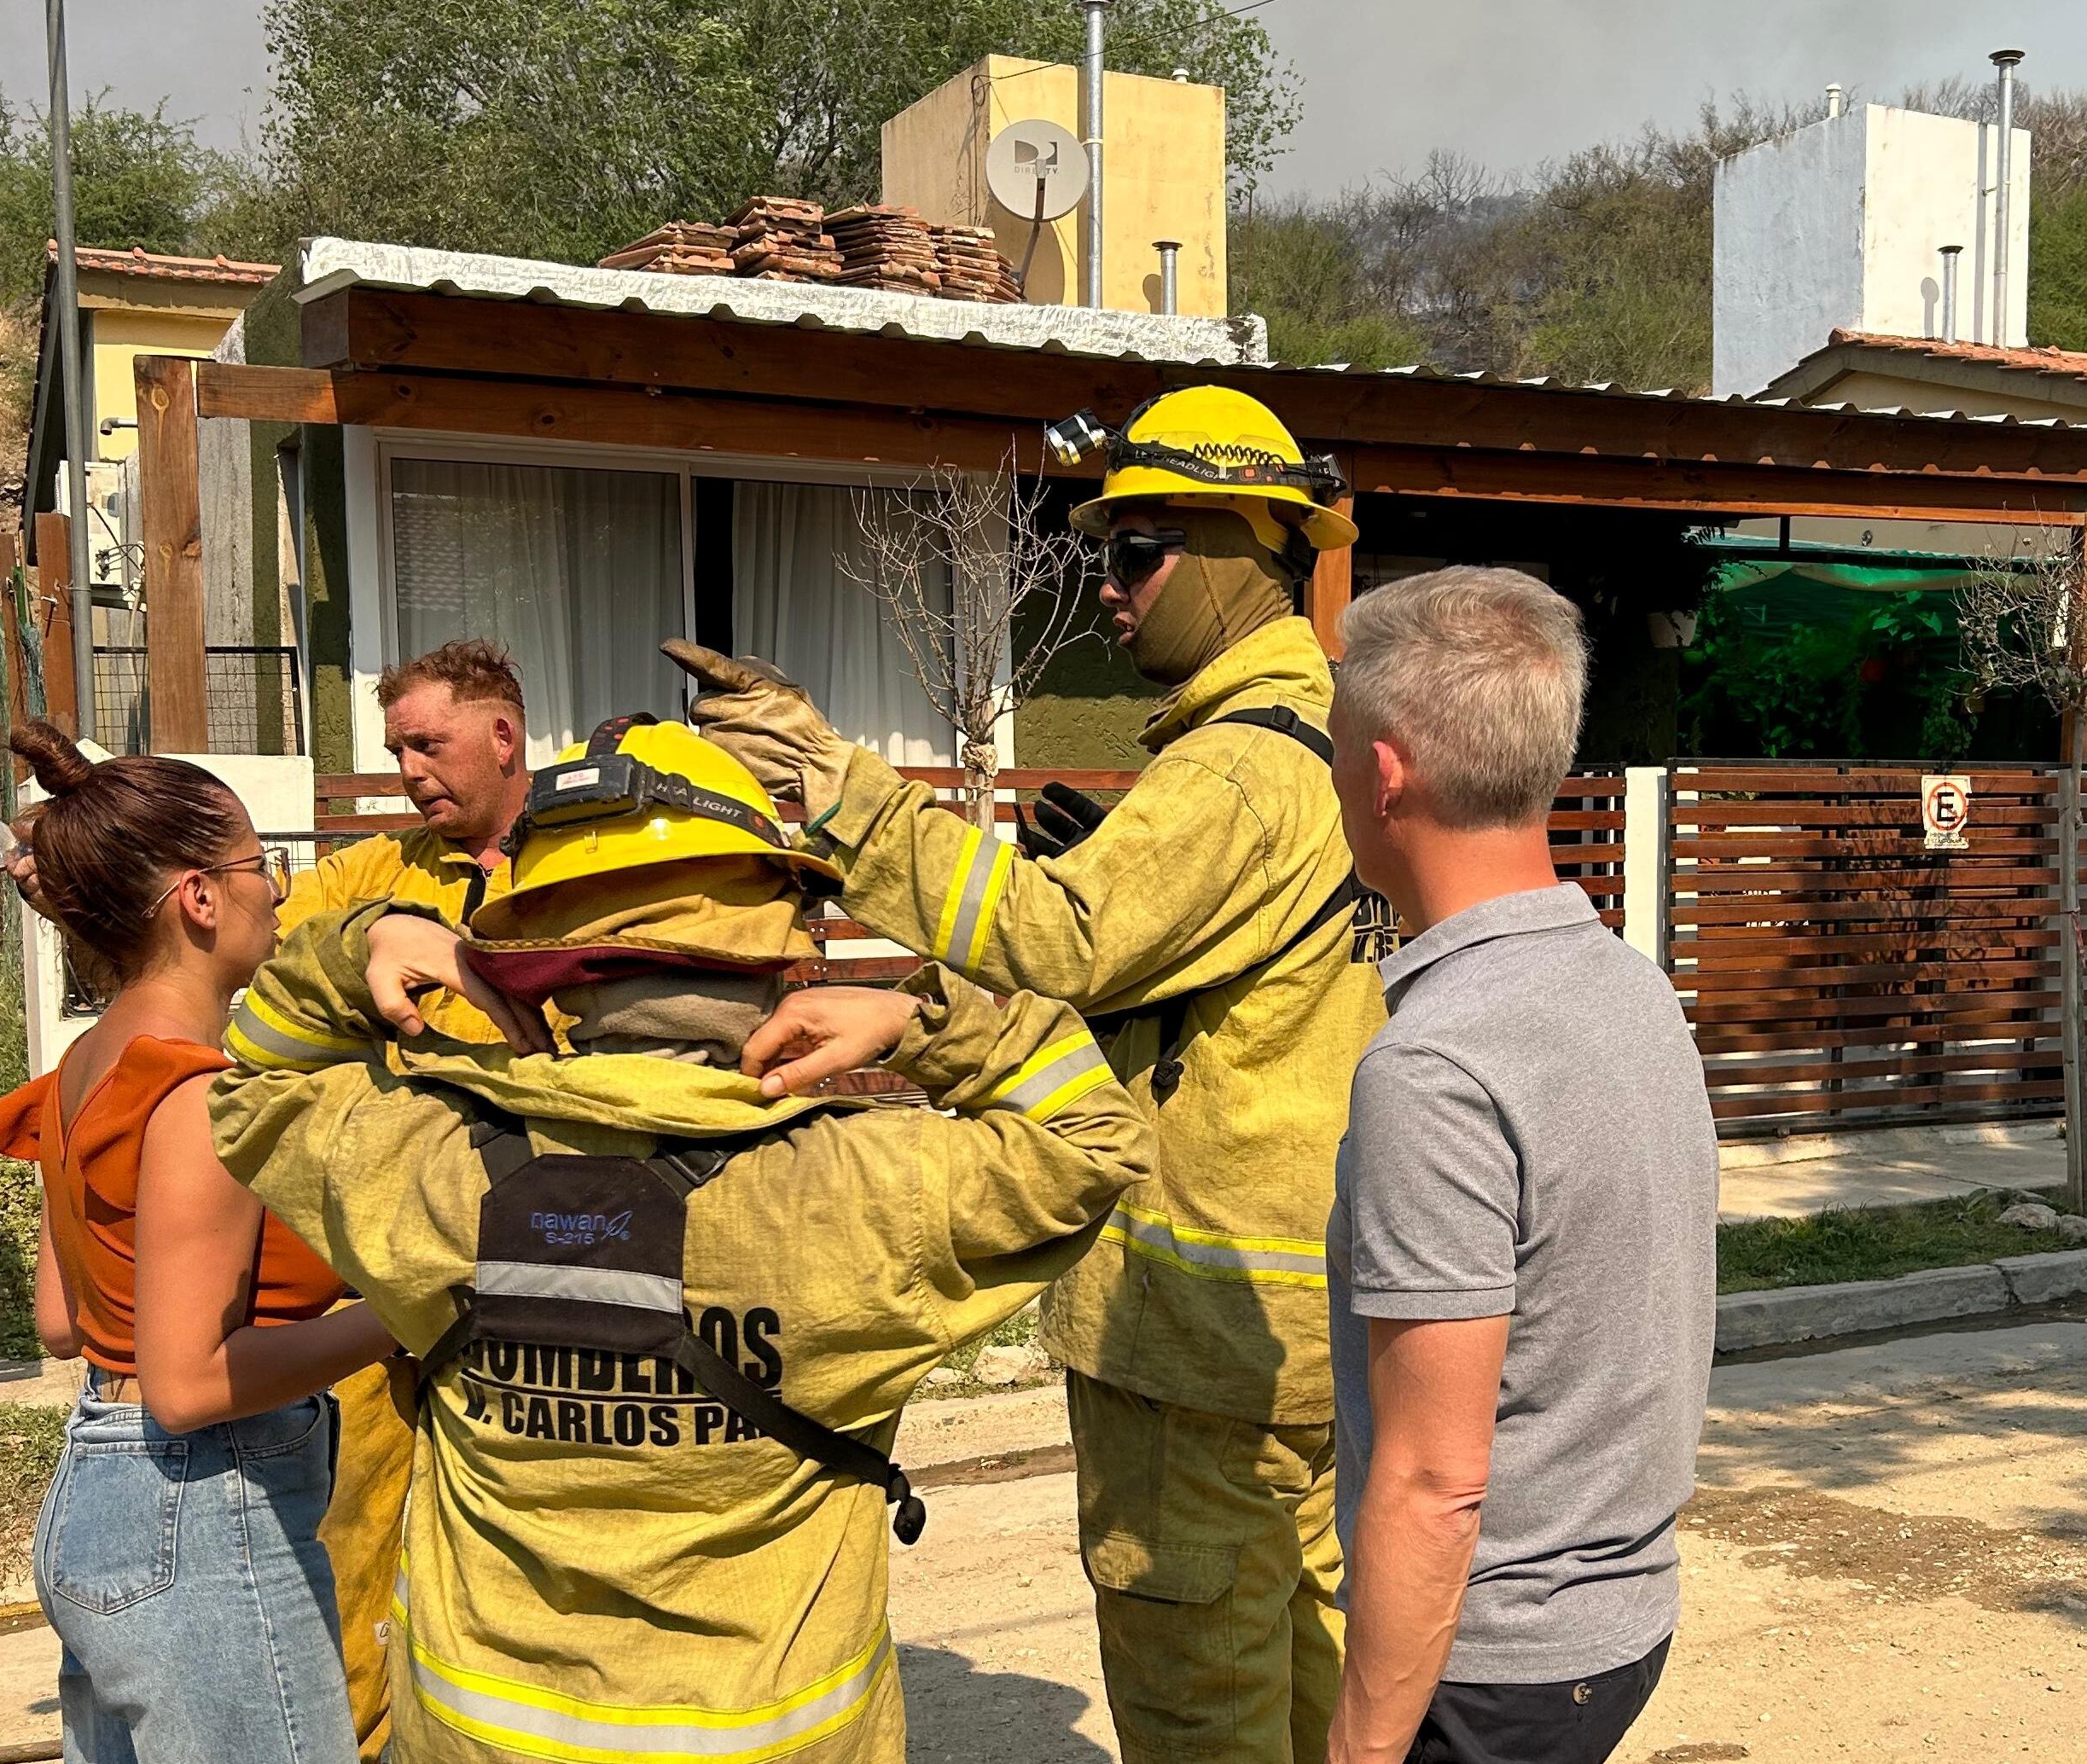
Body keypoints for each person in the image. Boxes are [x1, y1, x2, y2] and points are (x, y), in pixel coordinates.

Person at [669, 385, 1392, 1763]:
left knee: (1210, 1714)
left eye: (1138, 551)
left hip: (1196, 1351)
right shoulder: (1329, 750)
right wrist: (915, 1019)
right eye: (1094, 550)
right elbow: (1184, 987)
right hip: (1313, 1334)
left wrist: (836, 784)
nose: (1104, 583)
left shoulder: (1235, 775)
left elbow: (1056, 943)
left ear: (1252, 555)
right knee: (1322, 1691)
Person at [207, 717, 1148, 1763]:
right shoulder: (881, 1188)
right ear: (781, 947)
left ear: (536, 962)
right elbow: (1095, 1137)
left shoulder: (421, 1161)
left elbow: (254, 1086)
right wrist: (919, 1022)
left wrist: (360, 943)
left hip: (486, 1736)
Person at [1321, 569, 1717, 1764]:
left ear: (1384, 771)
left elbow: (1435, 1480)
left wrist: (1358, 1745)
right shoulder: (1626, 981)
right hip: (1620, 1623)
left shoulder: (1435, 1065)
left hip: (1491, 1665)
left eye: (1334, 743)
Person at [0, 721, 394, 1764]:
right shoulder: (195, 1095)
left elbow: (63, 1321)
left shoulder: (88, 1063)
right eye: (265, 866)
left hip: (97, 1496)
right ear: (200, 897)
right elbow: (190, 1384)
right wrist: (397, 1320)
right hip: (203, 1513)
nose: (283, 891)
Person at [240, 638, 536, 1761]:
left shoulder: (581, 863)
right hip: (377, 1266)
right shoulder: (375, 875)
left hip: (540, 1265)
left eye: (429, 741)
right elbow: (272, 956)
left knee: (520, 1540)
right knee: (352, 1523)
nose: (411, 768)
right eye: (398, 746)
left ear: (502, 735)